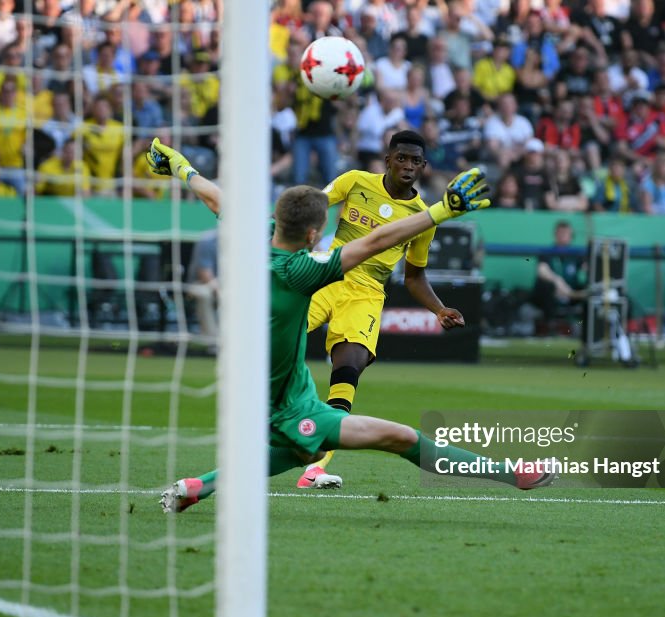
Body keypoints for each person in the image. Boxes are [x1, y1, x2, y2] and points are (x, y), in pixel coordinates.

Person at [141, 141, 556, 514]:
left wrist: (181, 167)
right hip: (285, 404)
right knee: (402, 438)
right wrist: (441, 211)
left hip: (259, 386)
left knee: (302, 450)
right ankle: (511, 473)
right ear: (313, 233)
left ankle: (199, 487)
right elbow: (373, 244)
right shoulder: (305, 270)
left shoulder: (259, 236)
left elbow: (217, 199)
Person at [300, 130, 470, 490]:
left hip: (366, 293)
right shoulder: (355, 181)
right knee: (275, 343)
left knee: (349, 367)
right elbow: (313, 207)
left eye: (415, 161)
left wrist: (438, 309)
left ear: (423, 167)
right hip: (327, 273)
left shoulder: (423, 216)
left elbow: (414, 277)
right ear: (387, 159)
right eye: (402, 158)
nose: (408, 166)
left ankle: (316, 466)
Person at [532, 220, 586, 323]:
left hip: (571, 293)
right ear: (555, 234)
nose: (563, 236)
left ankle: (584, 327)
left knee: (590, 289)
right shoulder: (546, 252)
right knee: (546, 287)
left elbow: (587, 267)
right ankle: (550, 328)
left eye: (566, 233)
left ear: (571, 236)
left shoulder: (577, 254)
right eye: (560, 233)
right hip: (552, 292)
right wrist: (557, 281)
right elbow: (542, 270)